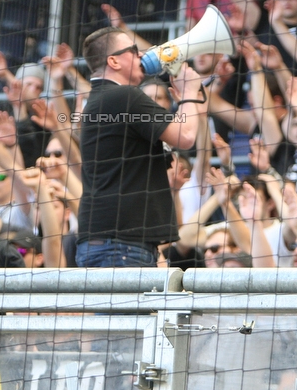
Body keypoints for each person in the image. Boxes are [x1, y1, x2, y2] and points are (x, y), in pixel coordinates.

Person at [75, 27, 203, 267]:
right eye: (133, 51)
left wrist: (189, 105)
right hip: (121, 244)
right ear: (113, 61)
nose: (142, 55)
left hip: (111, 241)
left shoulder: (103, 98)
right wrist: (189, 95)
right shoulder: (125, 96)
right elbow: (185, 136)